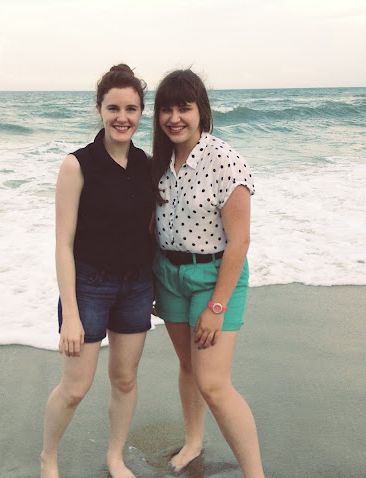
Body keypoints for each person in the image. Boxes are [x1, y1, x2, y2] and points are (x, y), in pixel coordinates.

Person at [40, 64, 154, 478]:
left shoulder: (146, 164)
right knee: (75, 388)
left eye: (131, 109)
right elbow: (63, 243)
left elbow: (150, 230)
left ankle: (115, 457)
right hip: (88, 286)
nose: (122, 117)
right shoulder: (77, 165)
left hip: (136, 287)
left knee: (124, 379)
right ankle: (48, 458)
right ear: (99, 109)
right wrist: (70, 314)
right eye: (113, 108)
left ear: (141, 112)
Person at [151, 69, 265, 477]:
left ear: (201, 110)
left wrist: (217, 307)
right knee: (188, 367)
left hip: (215, 277)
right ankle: (193, 442)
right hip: (168, 275)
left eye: (184, 108)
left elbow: (240, 242)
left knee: (213, 383)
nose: (174, 118)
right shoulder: (159, 161)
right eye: (166, 109)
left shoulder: (225, 161)